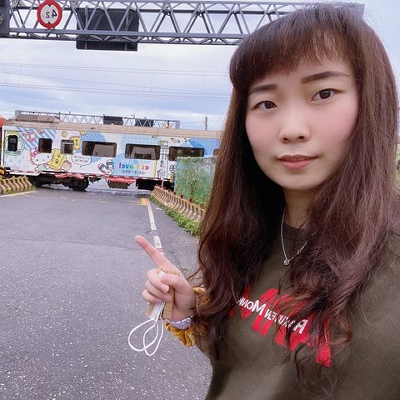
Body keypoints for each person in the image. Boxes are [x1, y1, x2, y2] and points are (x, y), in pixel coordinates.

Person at [136, 3, 400, 399]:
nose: (291, 129)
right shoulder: (249, 235)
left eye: (323, 93)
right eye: (267, 103)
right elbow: (247, 366)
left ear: (372, 101)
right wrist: (189, 312)